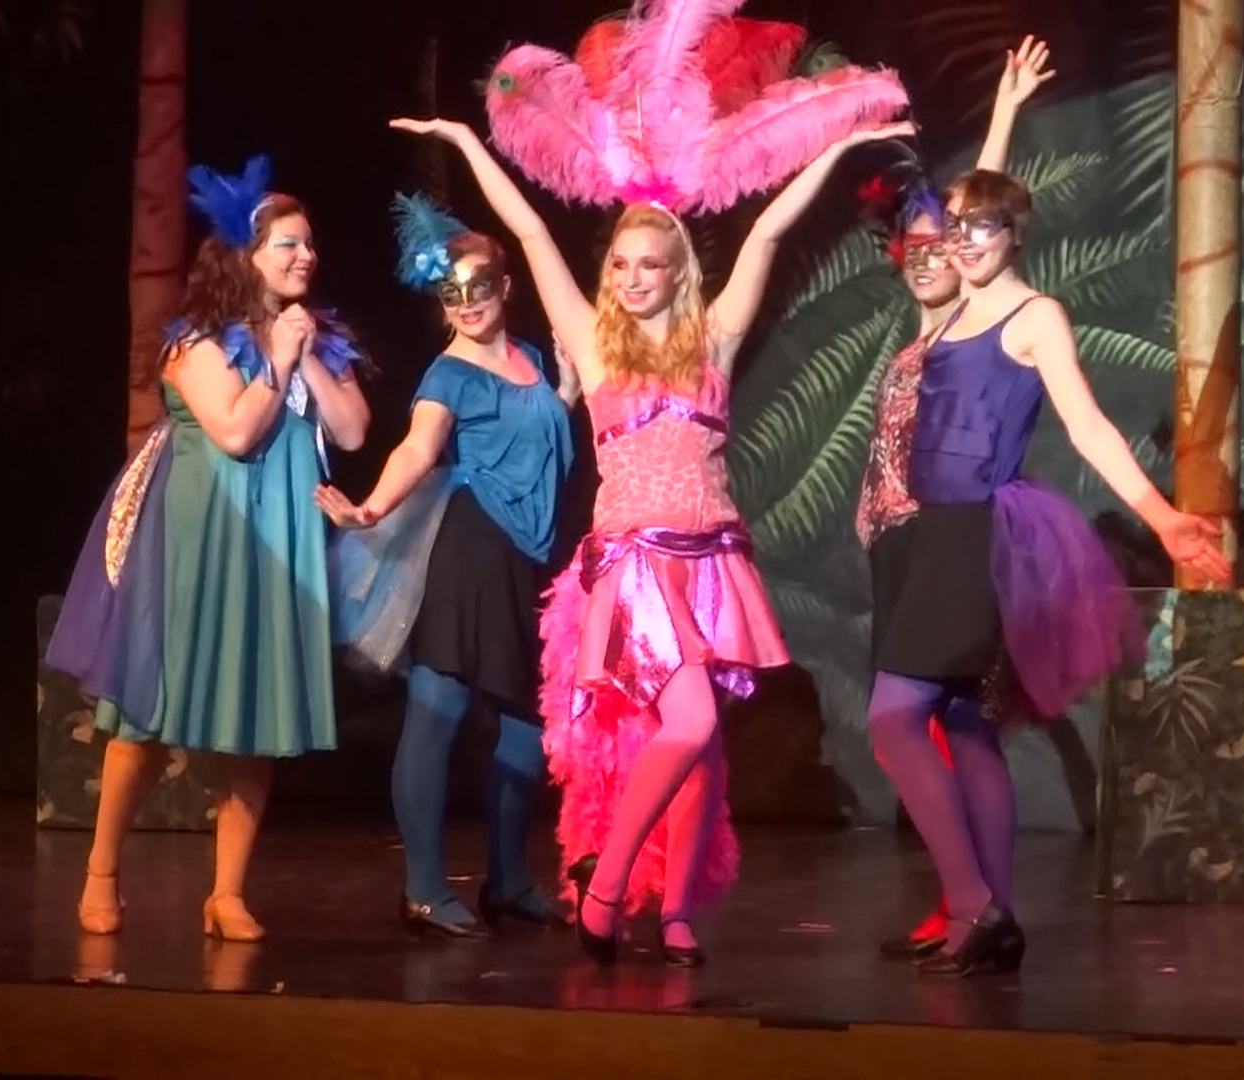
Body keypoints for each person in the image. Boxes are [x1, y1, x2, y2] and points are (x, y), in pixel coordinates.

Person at [393, 3, 915, 966]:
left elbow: (767, 233)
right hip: (635, 565)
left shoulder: (713, 341)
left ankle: (676, 913)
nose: (633, 277)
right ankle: (606, 891)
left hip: (710, 559)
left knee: (704, 748)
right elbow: (527, 231)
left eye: (651, 265)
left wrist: (842, 147)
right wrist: (465, 141)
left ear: (678, 272)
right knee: (692, 719)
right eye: (623, 264)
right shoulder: (593, 348)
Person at [863, 165, 1230, 976]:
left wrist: (1163, 517)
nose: (963, 240)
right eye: (955, 226)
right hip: (932, 531)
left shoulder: (1035, 316)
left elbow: (1088, 425)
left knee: (894, 717)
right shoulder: (950, 314)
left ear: (1016, 234)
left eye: (981, 226)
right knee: (967, 724)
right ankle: (989, 923)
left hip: (976, 533)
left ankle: (975, 905)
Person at [46, 155, 370, 942]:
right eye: (287, 244)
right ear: (245, 256)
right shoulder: (194, 343)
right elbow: (233, 432)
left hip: (279, 541)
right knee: (149, 716)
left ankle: (227, 894)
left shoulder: (315, 339)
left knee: (259, 720)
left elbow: (355, 431)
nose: (305, 256)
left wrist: (307, 353)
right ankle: (101, 874)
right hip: (199, 538)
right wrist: (280, 361)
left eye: (309, 245)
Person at [319, 192, 578, 937]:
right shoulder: (448, 375)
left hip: (525, 556)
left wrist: (564, 393)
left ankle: (509, 880)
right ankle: (425, 890)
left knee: (525, 724)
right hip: (471, 546)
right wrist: (371, 508)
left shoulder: (529, 359)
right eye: (451, 294)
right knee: (441, 707)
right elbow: (418, 448)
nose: (466, 304)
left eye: (478, 288)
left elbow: (535, 438)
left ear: (505, 286)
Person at [854, 35, 1054, 963]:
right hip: (901, 544)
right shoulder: (919, 336)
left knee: (937, 725)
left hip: (949, 539)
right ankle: (970, 912)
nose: (934, 254)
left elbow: (977, 206)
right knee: (958, 728)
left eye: (949, 243)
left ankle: (980, 906)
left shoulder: (973, 319)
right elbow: (965, 216)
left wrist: (1004, 113)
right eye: (918, 248)